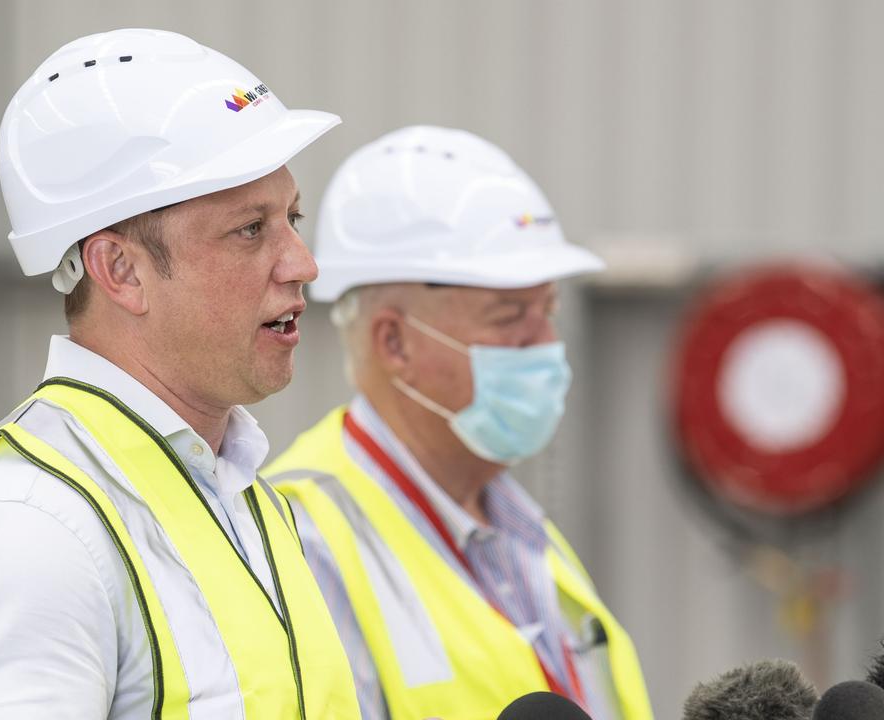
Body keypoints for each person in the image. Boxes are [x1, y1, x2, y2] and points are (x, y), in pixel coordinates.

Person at [0, 28, 360, 719]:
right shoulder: (25, 531)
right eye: (250, 229)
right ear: (120, 271)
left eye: (293, 218)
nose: (302, 263)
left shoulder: (241, 498)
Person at [263, 125, 655, 720]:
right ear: (394, 342)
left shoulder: (521, 529)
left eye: (547, 311)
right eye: (509, 317)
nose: (547, 345)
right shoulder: (302, 541)